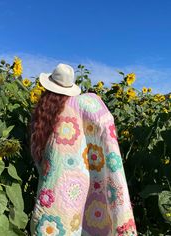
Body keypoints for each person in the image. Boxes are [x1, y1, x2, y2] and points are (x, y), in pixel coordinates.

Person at [30, 63, 137, 235]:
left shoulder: (43, 114)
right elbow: (104, 120)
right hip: (80, 182)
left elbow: (37, 155)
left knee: (54, 222)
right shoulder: (82, 104)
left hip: (51, 187)